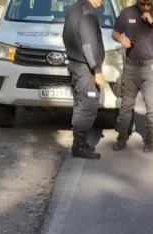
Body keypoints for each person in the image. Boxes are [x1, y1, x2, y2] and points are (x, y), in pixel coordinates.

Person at [111, 0, 153, 153]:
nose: (145, 7)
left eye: (148, 4)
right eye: (142, 4)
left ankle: (149, 139)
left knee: (152, 107)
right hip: (131, 66)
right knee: (126, 105)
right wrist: (121, 39)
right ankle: (121, 138)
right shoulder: (127, 13)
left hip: (151, 66)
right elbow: (115, 32)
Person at [62, 0, 106, 159]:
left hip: (75, 65)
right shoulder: (87, 14)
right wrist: (98, 70)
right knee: (87, 105)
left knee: (80, 105)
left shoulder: (73, 8)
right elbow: (88, 45)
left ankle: (79, 142)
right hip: (85, 68)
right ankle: (79, 146)